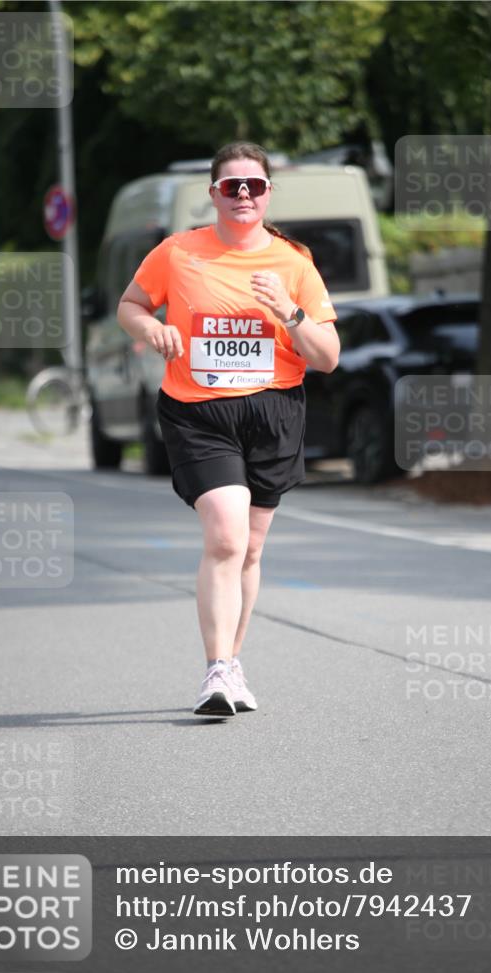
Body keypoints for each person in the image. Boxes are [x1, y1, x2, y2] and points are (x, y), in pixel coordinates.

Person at [116, 141, 339, 717]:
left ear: (267, 194)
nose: (243, 194)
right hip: (198, 410)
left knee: (251, 547)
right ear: (212, 194)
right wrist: (152, 330)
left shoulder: (293, 262)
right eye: (231, 186)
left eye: (255, 186)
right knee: (225, 536)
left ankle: (231, 666)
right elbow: (131, 305)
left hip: (273, 411)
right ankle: (216, 669)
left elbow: (328, 355)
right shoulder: (178, 252)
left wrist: (288, 313)